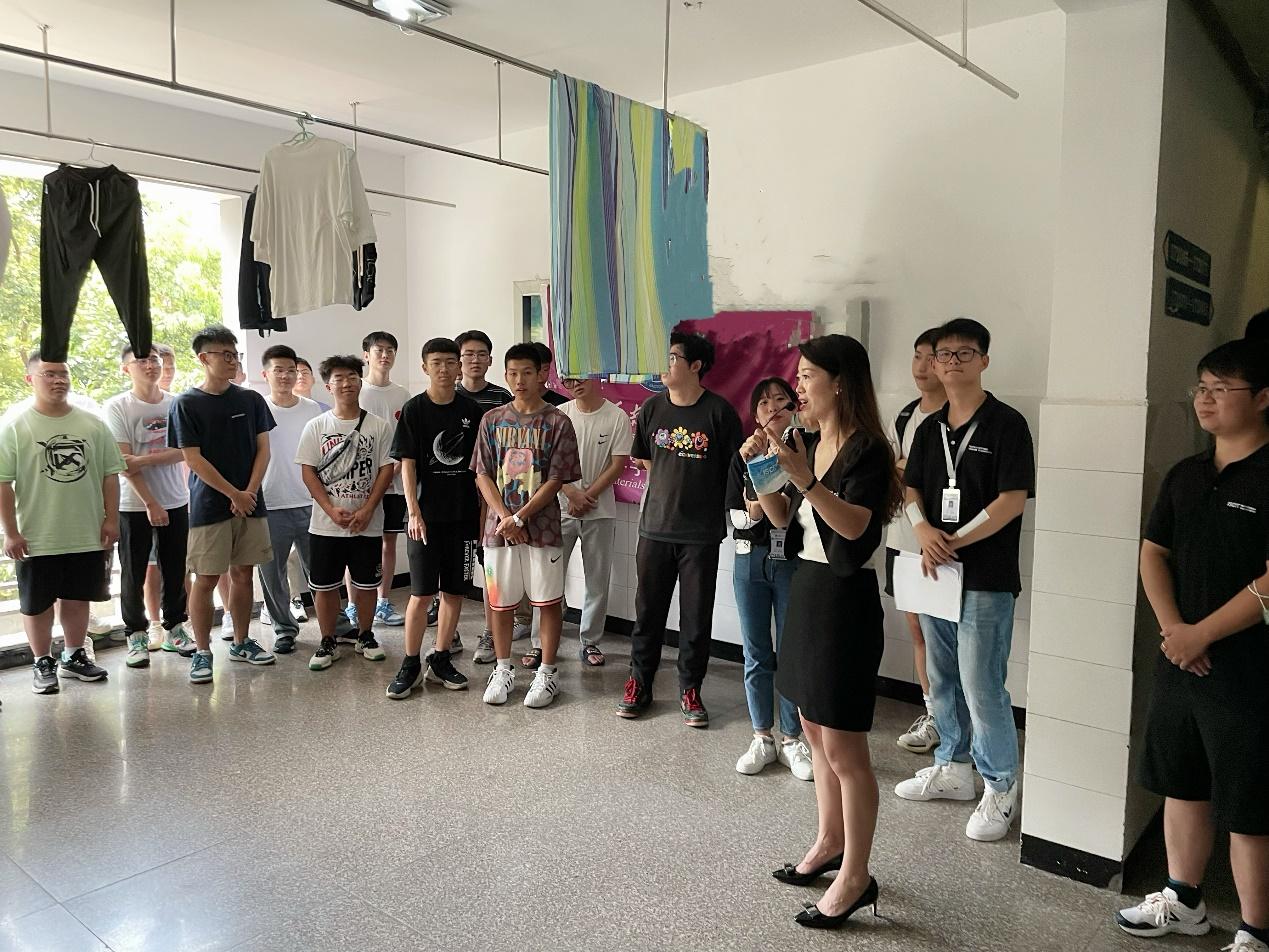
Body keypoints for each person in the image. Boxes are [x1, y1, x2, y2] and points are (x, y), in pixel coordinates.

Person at [1115, 339, 1269, 952]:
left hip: (1247, 668)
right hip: (1180, 658)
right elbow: (1153, 552)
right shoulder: (1186, 474)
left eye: (1221, 389)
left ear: (1263, 398)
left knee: (1250, 802)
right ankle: (1183, 899)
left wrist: (1200, 634)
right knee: (1182, 782)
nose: (1205, 399)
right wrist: (1175, 629)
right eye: (1201, 388)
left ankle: (1256, 931)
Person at [747, 334, 900, 929]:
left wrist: (806, 479)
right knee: (812, 726)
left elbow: (856, 527)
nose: (798, 387)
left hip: (845, 599)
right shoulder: (807, 441)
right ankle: (830, 841)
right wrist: (765, 471)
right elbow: (785, 518)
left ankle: (856, 876)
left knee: (844, 746)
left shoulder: (868, 449)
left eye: (808, 376)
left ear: (840, 382)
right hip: (809, 587)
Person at [892, 317, 1034, 843]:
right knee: (943, 676)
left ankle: (1000, 785)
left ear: (984, 360)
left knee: (982, 684)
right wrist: (923, 528)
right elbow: (911, 490)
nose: (952, 362)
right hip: (936, 571)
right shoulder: (929, 429)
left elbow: (1012, 500)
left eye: (964, 353)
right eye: (944, 354)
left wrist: (955, 540)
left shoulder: (1006, 424)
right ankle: (953, 768)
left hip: (985, 576)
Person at [616, 330, 742, 727]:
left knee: (696, 617)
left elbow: (734, 471)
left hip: (700, 535)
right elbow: (647, 461)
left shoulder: (719, 412)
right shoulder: (652, 409)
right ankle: (640, 683)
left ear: (695, 366)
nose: (664, 365)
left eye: (672, 357)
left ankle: (690, 688)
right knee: (647, 613)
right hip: (654, 529)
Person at [1, 352, 122, 694]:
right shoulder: (15, 425)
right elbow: (3, 483)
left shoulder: (93, 424)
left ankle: (73, 655)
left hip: (86, 531)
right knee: (36, 603)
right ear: (30, 379)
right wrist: (10, 532)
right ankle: (42, 661)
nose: (59, 380)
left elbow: (110, 475)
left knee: (78, 597)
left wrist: (111, 520)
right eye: (49, 374)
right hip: (36, 535)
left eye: (63, 374)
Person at [471, 343, 580, 708]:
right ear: (505, 375)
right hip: (499, 530)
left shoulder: (558, 421)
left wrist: (520, 517)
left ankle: (547, 673)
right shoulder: (492, 420)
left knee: (547, 603)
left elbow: (556, 478)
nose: (520, 380)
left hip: (543, 529)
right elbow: (482, 474)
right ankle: (502, 669)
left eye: (527, 373)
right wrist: (506, 516)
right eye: (513, 373)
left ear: (541, 375)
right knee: (501, 603)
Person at [168, 325, 277, 684]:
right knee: (206, 579)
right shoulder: (186, 403)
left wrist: (249, 491)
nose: (233, 361)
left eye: (235, 355)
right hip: (209, 507)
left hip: (250, 502)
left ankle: (242, 642)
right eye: (225, 355)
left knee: (244, 574)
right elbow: (193, 458)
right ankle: (202, 652)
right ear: (204, 358)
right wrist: (234, 494)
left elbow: (263, 449)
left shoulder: (251, 400)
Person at [728, 377, 812, 780]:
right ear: (754, 413)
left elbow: (792, 514)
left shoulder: (804, 449)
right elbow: (744, 517)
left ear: (794, 406)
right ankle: (762, 736)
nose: (773, 407)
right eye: (764, 402)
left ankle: (792, 738)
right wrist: (753, 468)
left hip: (792, 559)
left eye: (781, 399)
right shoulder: (743, 454)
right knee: (756, 651)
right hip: (749, 559)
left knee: (792, 650)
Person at [385, 337, 478, 698]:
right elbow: (407, 465)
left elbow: (480, 466)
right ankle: (410, 663)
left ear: (459, 368)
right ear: (425, 367)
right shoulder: (414, 409)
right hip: (424, 519)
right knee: (421, 594)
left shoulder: (471, 410)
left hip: (463, 517)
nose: (444, 368)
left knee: (454, 592)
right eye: (436, 362)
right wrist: (413, 512)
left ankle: (440, 659)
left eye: (450, 362)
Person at [523, 373, 632, 669]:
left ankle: (590, 641)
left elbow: (618, 464)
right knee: (548, 579)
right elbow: (546, 462)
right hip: (558, 509)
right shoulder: (558, 415)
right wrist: (570, 492)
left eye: (580, 379)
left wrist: (587, 496)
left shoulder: (617, 416)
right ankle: (540, 643)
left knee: (597, 580)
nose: (575, 386)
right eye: (568, 381)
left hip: (600, 511)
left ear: (596, 377)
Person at [296, 355, 394, 672]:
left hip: (367, 523)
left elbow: (386, 469)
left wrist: (367, 509)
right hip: (325, 526)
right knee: (325, 586)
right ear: (328, 386)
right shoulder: (317, 426)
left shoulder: (378, 426)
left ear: (360, 381)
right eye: (338, 378)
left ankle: (365, 635)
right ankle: (328, 641)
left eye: (352, 376)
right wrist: (330, 509)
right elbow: (308, 471)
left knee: (366, 584)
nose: (346, 383)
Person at [104, 344, 193, 668]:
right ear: (125, 368)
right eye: (141, 361)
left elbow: (187, 451)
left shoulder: (177, 403)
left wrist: (142, 459)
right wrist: (151, 502)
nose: (150, 365)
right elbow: (121, 462)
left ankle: (176, 628)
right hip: (133, 505)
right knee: (133, 571)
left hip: (176, 499)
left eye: (154, 360)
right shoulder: (117, 406)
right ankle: (136, 634)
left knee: (175, 568)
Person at [884, 328, 947, 754]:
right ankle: (933, 713)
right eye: (917, 356)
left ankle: (953, 718)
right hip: (902, 537)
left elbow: (932, 477)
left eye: (931, 357)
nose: (922, 366)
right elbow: (889, 472)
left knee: (945, 636)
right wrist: (907, 469)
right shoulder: (905, 416)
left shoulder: (956, 416)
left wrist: (910, 469)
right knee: (917, 630)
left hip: (942, 542)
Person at [456, 329, 529, 655]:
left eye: (481, 354)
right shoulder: (447, 397)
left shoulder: (502, 399)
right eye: (468, 354)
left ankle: (490, 633)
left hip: (494, 498)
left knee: (491, 567)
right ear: (459, 360)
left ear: (490, 360)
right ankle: (449, 634)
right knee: (451, 568)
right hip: (455, 496)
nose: (475, 360)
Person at [256, 344, 323, 655]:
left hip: (310, 502)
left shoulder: (312, 409)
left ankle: (334, 626)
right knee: (273, 575)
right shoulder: (257, 408)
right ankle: (284, 629)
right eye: (278, 370)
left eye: (290, 370)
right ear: (266, 374)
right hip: (270, 504)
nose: (285, 376)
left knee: (321, 571)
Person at [352, 331, 410, 628]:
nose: (385, 355)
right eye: (379, 350)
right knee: (357, 543)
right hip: (361, 484)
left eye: (390, 350)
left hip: (395, 483)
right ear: (366, 355)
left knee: (388, 542)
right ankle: (353, 606)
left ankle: (383, 602)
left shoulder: (402, 395)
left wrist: (393, 469)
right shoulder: (357, 391)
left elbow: (405, 439)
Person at [531, 341, 570, 406]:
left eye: (545, 369)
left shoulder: (562, 404)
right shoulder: (514, 404)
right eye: (536, 370)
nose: (540, 377)